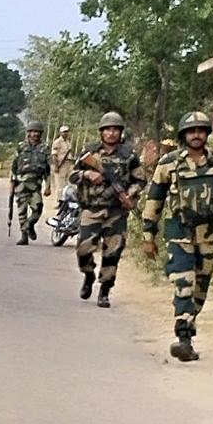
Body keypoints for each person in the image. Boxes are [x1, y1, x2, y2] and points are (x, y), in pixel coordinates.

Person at [141, 111, 213, 362]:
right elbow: (154, 198)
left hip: (208, 235)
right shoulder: (169, 163)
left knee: (200, 289)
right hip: (179, 234)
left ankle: (188, 329)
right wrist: (148, 235)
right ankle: (183, 338)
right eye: (191, 131)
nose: (196, 135)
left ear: (207, 134)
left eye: (200, 130)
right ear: (184, 135)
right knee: (184, 283)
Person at [70, 111, 148, 308]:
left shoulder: (129, 155)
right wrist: (87, 174)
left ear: (120, 132)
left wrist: (129, 194)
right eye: (108, 129)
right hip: (91, 209)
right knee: (83, 249)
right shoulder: (90, 151)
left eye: (115, 130)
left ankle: (104, 291)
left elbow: (140, 179)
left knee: (112, 253)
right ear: (101, 132)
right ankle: (88, 274)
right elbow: (72, 175)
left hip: (116, 212)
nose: (111, 133)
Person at [10, 120, 52, 245]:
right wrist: (12, 184)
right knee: (22, 211)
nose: (35, 134)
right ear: (28, 133)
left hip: (36, 184)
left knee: (38, 209)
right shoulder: (21, 147)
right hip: (21, 183)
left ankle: (30, 224)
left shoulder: (44, 148)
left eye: (38, 132)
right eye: (33, 132)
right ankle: (24, 236)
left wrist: (48, 186)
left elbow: (48, 169)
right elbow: (13, 166)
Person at [51, 124, 74, 209]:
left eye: (67, 132)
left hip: (68, 163)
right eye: (64, 132)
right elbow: (54, 155)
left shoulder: (68, 142)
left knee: (68, 183)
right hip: (61, 164)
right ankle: (60, 201)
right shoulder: (57, 142)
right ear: (60, 133)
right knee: (60, 184)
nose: (66, 133)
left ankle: (66, 201)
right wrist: (56, 166)